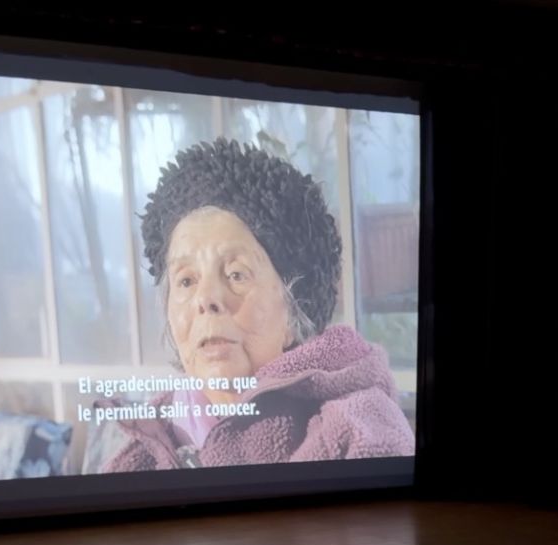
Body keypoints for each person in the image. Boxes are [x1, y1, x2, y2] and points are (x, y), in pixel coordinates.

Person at [98, 138, 414, 471]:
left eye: (236, 274)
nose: (206, 299)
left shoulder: (361, 429)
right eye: (187, 281)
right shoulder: (142, 449)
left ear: (295, 310)